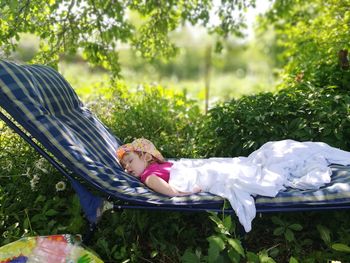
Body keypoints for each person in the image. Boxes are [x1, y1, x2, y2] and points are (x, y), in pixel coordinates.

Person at [116, 138, 350, 232]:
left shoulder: (149, 170)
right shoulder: (148, 176)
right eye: (125, 166)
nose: (128, 169)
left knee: (238, 167)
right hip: (193, 177)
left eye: (130, 162)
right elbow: (159, 185)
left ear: (146, 157)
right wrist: (179, 192)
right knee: (234, 173)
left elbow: (160, 175)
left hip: (191, 171)